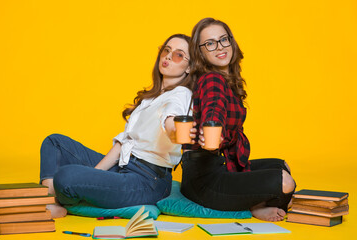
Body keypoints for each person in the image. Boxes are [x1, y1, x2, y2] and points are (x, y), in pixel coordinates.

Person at [40, 34, 192, 218]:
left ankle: (58, 201)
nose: (168, 56)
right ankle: (49, 199)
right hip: (124, 165)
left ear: (190, 67)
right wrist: (93, 176)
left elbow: (171, 118)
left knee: (66, 176)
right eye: (166, 50)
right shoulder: (151, 98)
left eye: (178, 55)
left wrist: (174, 131)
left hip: (147, 181)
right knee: (55, 142)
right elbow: (124, 143)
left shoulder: (181, 94)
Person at [180, 18, 296, 222]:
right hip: (205, 181)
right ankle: (254, 207)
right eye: (210, 43)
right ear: (200, 52)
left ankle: (255, 202)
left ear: (231, 42)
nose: (219, 47)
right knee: (285, 183)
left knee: (281, 165)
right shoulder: (212, 79)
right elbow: (213, 110)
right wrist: (211, 133)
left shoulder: (228, 80)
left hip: (224, 164)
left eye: (223, 39)